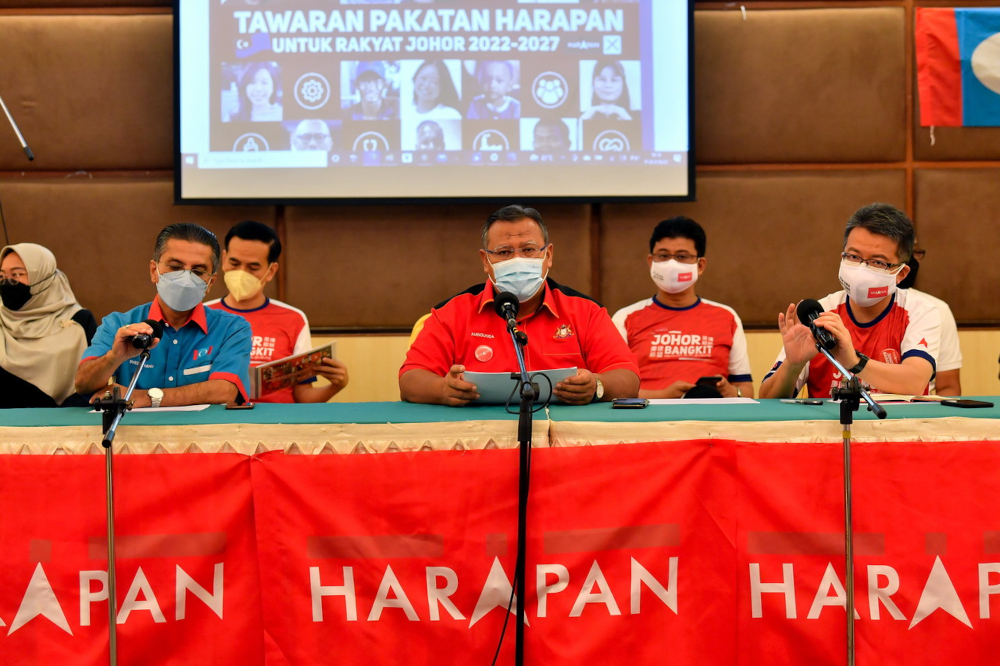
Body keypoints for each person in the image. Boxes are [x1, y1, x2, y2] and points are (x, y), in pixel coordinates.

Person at [400, 205, 639, 406]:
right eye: (504, 252)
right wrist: (442, 389)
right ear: (486, 260)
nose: (517, 260)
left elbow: (627, 378)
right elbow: (410, 379)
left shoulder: (585, 311)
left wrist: (597, 386)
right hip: (478, 438)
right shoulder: (452, 313)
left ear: (549, 255)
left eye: (528, 250)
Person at [759, 203, 940, 399]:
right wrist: (792, 366)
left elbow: (914, 382)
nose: (861, 269)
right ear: (842, 257)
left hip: (901, 427)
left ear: (901, 273)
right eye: (853, 256)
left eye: (877, 262)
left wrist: (854, 361)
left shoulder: (919, 311)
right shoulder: (818, 313)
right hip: (828, 428)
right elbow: (767, 400)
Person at [75, 224, 252, 407]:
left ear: (210, 283)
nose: (185, 278)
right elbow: (83, 384)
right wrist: (114, 357)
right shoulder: (119, 324)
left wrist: (144, 397)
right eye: (175, 267)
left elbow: (225, 391)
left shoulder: (232, 329)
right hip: (134, 434)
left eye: (198, 272)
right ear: (154, 271)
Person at [206, 220, 348, 403]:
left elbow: (303, 397)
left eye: (253, 267)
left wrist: (337, 385)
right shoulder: (203, 314)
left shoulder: (293, 319)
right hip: (218, 422)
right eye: (234, 263)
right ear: (223, 259)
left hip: (277, 423)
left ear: (271, 271)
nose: (241, 272)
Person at [612, 217, 753, 399]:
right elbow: (612, 391)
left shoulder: (727, 317)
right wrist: (663, 396)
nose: (671, 264)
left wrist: (730, 392)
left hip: (713, 419)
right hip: (647, 419)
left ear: (700, 265)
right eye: (663, 256)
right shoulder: (624, 318)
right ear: (651, 262)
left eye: (682, 256)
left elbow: (747, 391)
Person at [0, 243, 97, 408]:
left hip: (61, 425)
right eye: (2, 276)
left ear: (43, 278)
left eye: (17, 274)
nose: (8, 282)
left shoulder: (80, 321)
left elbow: (93, 380)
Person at [896, 244, 962, 396]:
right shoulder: (835, 307)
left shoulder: (935, 309)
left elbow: (948, 387)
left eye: (916, 251)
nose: (911, 259)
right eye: (904, 250)